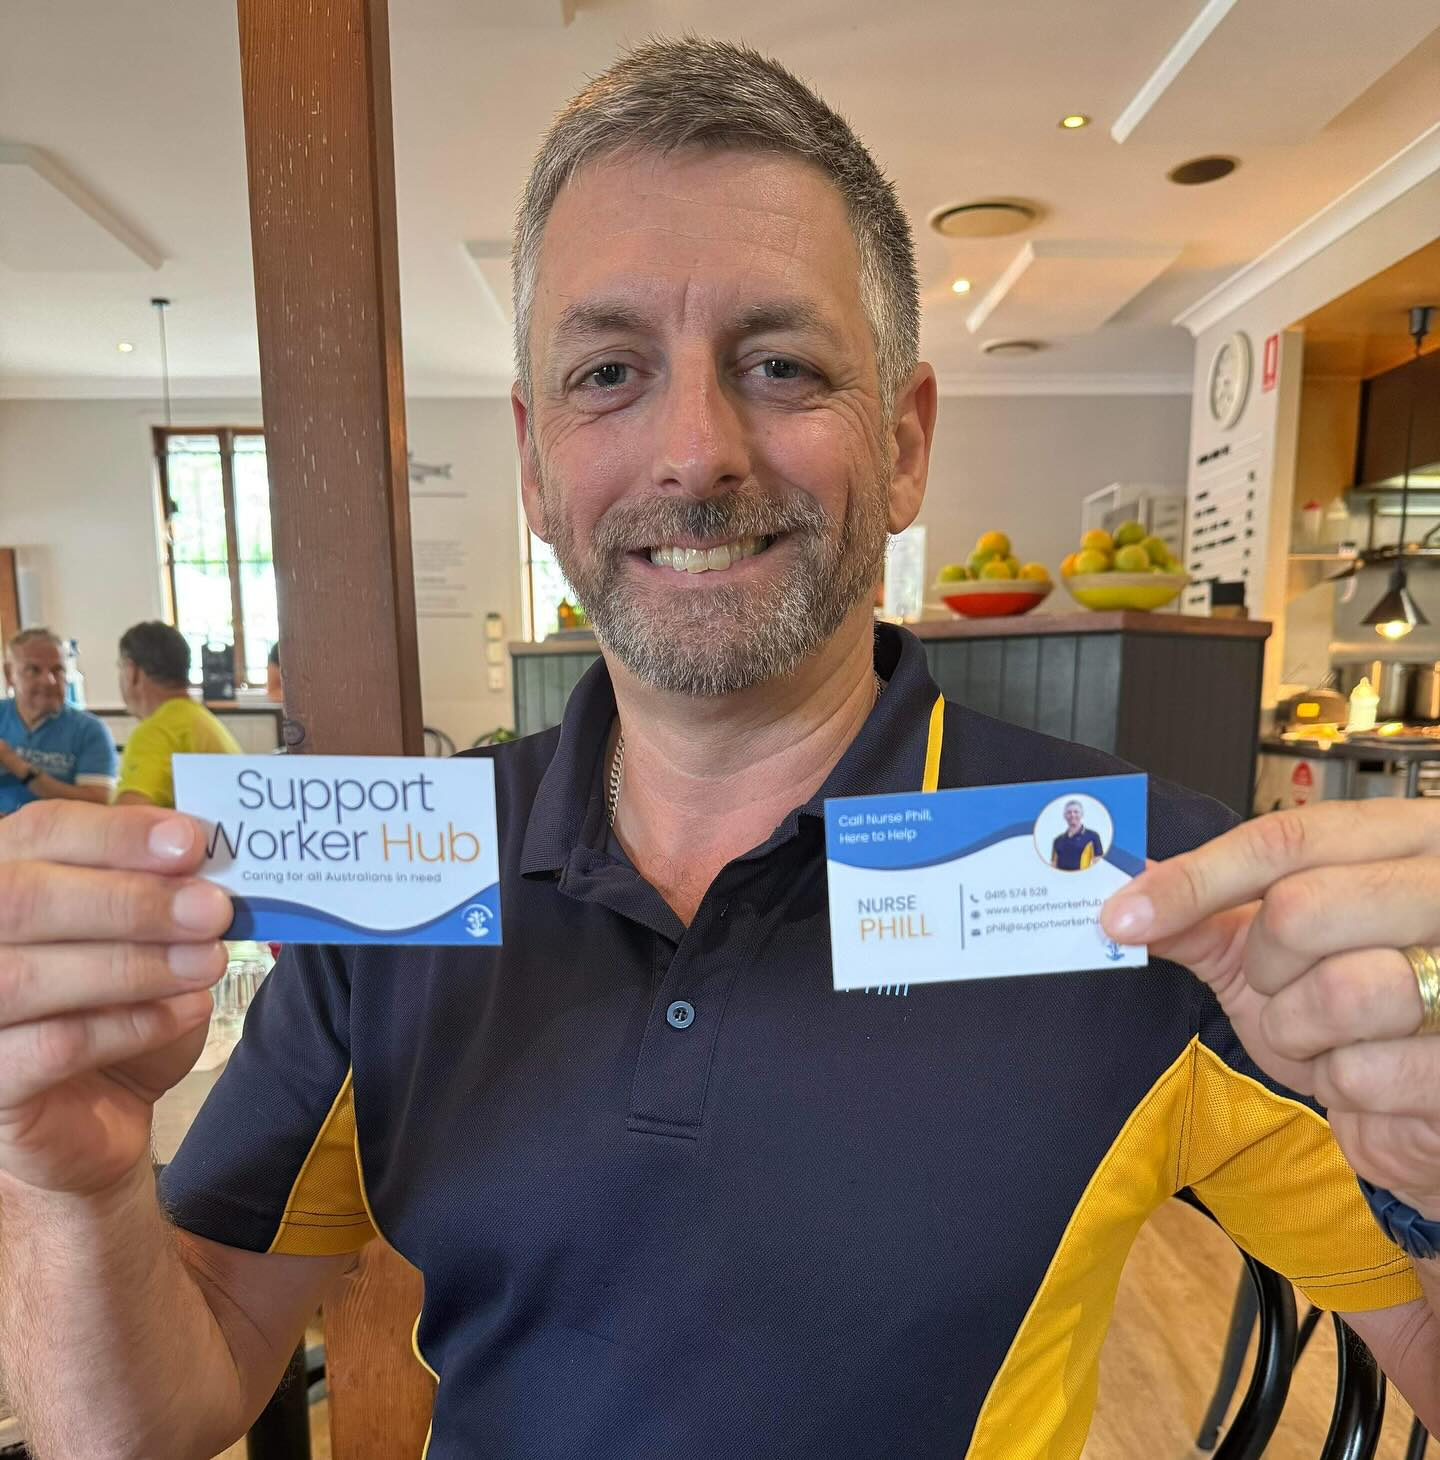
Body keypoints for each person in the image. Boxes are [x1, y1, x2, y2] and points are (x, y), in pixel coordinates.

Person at [0, 38, 1436, 1460]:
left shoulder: (1157, 893)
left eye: (780, 362)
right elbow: (154, 1415)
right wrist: (72, 1191)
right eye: (610, 370)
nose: (696, 451)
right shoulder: (398, 888)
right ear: (536, 463)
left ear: (906, 442)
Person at [112, 621, 241, 808]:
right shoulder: (201, 720)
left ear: (132, 672)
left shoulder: (156, 733)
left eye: (120, 667)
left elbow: (127, 819)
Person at [0, 627, 117, 814]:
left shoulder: (89, 730)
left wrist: (16, 764)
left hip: (62, 836)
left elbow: (98, 802)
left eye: (58, 670)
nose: (49, 681)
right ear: (9, 674)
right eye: (33, 670)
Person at [1051, 798, 1104, 870]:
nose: (1072, 815)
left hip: (1083, 879)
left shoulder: (1093, 837)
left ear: (1081, 814)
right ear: (1065, 816)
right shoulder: (1057, 840)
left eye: (1076, 812)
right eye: (1069, 812)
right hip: (1061, 880)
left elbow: (1098, 864)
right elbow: (1053, 865)